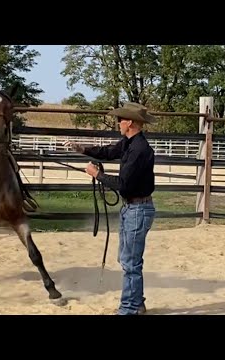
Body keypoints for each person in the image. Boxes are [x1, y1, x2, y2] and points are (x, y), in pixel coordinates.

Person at [64, 102, 156, 315]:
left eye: (120, 120)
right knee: (129, 260)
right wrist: (83, 149)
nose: (118, 123)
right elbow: (108, 151)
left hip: (137, 210)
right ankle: (137, 303)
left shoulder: (139, 150)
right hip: (132, 209)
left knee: (130, 262)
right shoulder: (130, 143)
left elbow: (124, 185)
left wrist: (97, 175)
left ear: (130, 122)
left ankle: (129, 309)